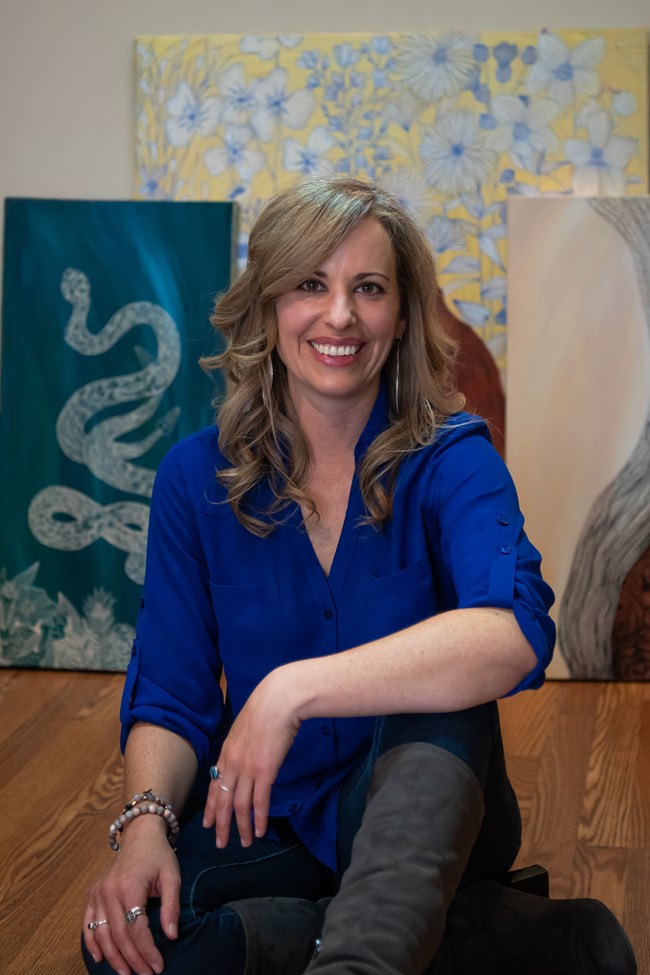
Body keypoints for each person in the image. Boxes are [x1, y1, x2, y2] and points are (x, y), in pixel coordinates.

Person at [81, 175, 636, 975]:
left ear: (401, 313)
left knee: (441, 697)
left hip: (432, 809)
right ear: (269, 306)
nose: (339, 315)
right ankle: (504, 937)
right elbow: (170, 692)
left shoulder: (453, 459)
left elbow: (515, 634)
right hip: (270, 812)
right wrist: (143, 828)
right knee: (128, 940)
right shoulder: (193, 478)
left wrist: (290, 689)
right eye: (311, 283)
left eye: (368, 288)